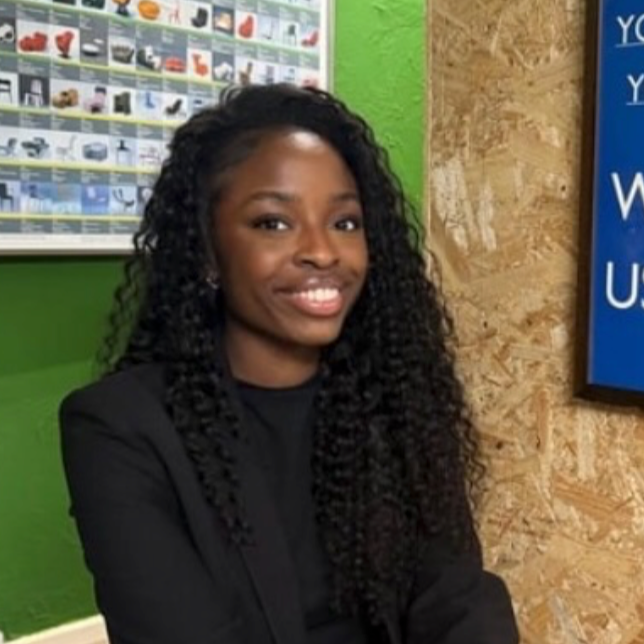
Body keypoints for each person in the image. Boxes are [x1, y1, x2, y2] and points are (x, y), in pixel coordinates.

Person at [60, 84, 519, 644]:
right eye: (273, 223)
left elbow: (459, 598)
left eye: (345, 222)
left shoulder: (393, 394)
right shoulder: (119, 428)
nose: (323, 251)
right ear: (207, 248)